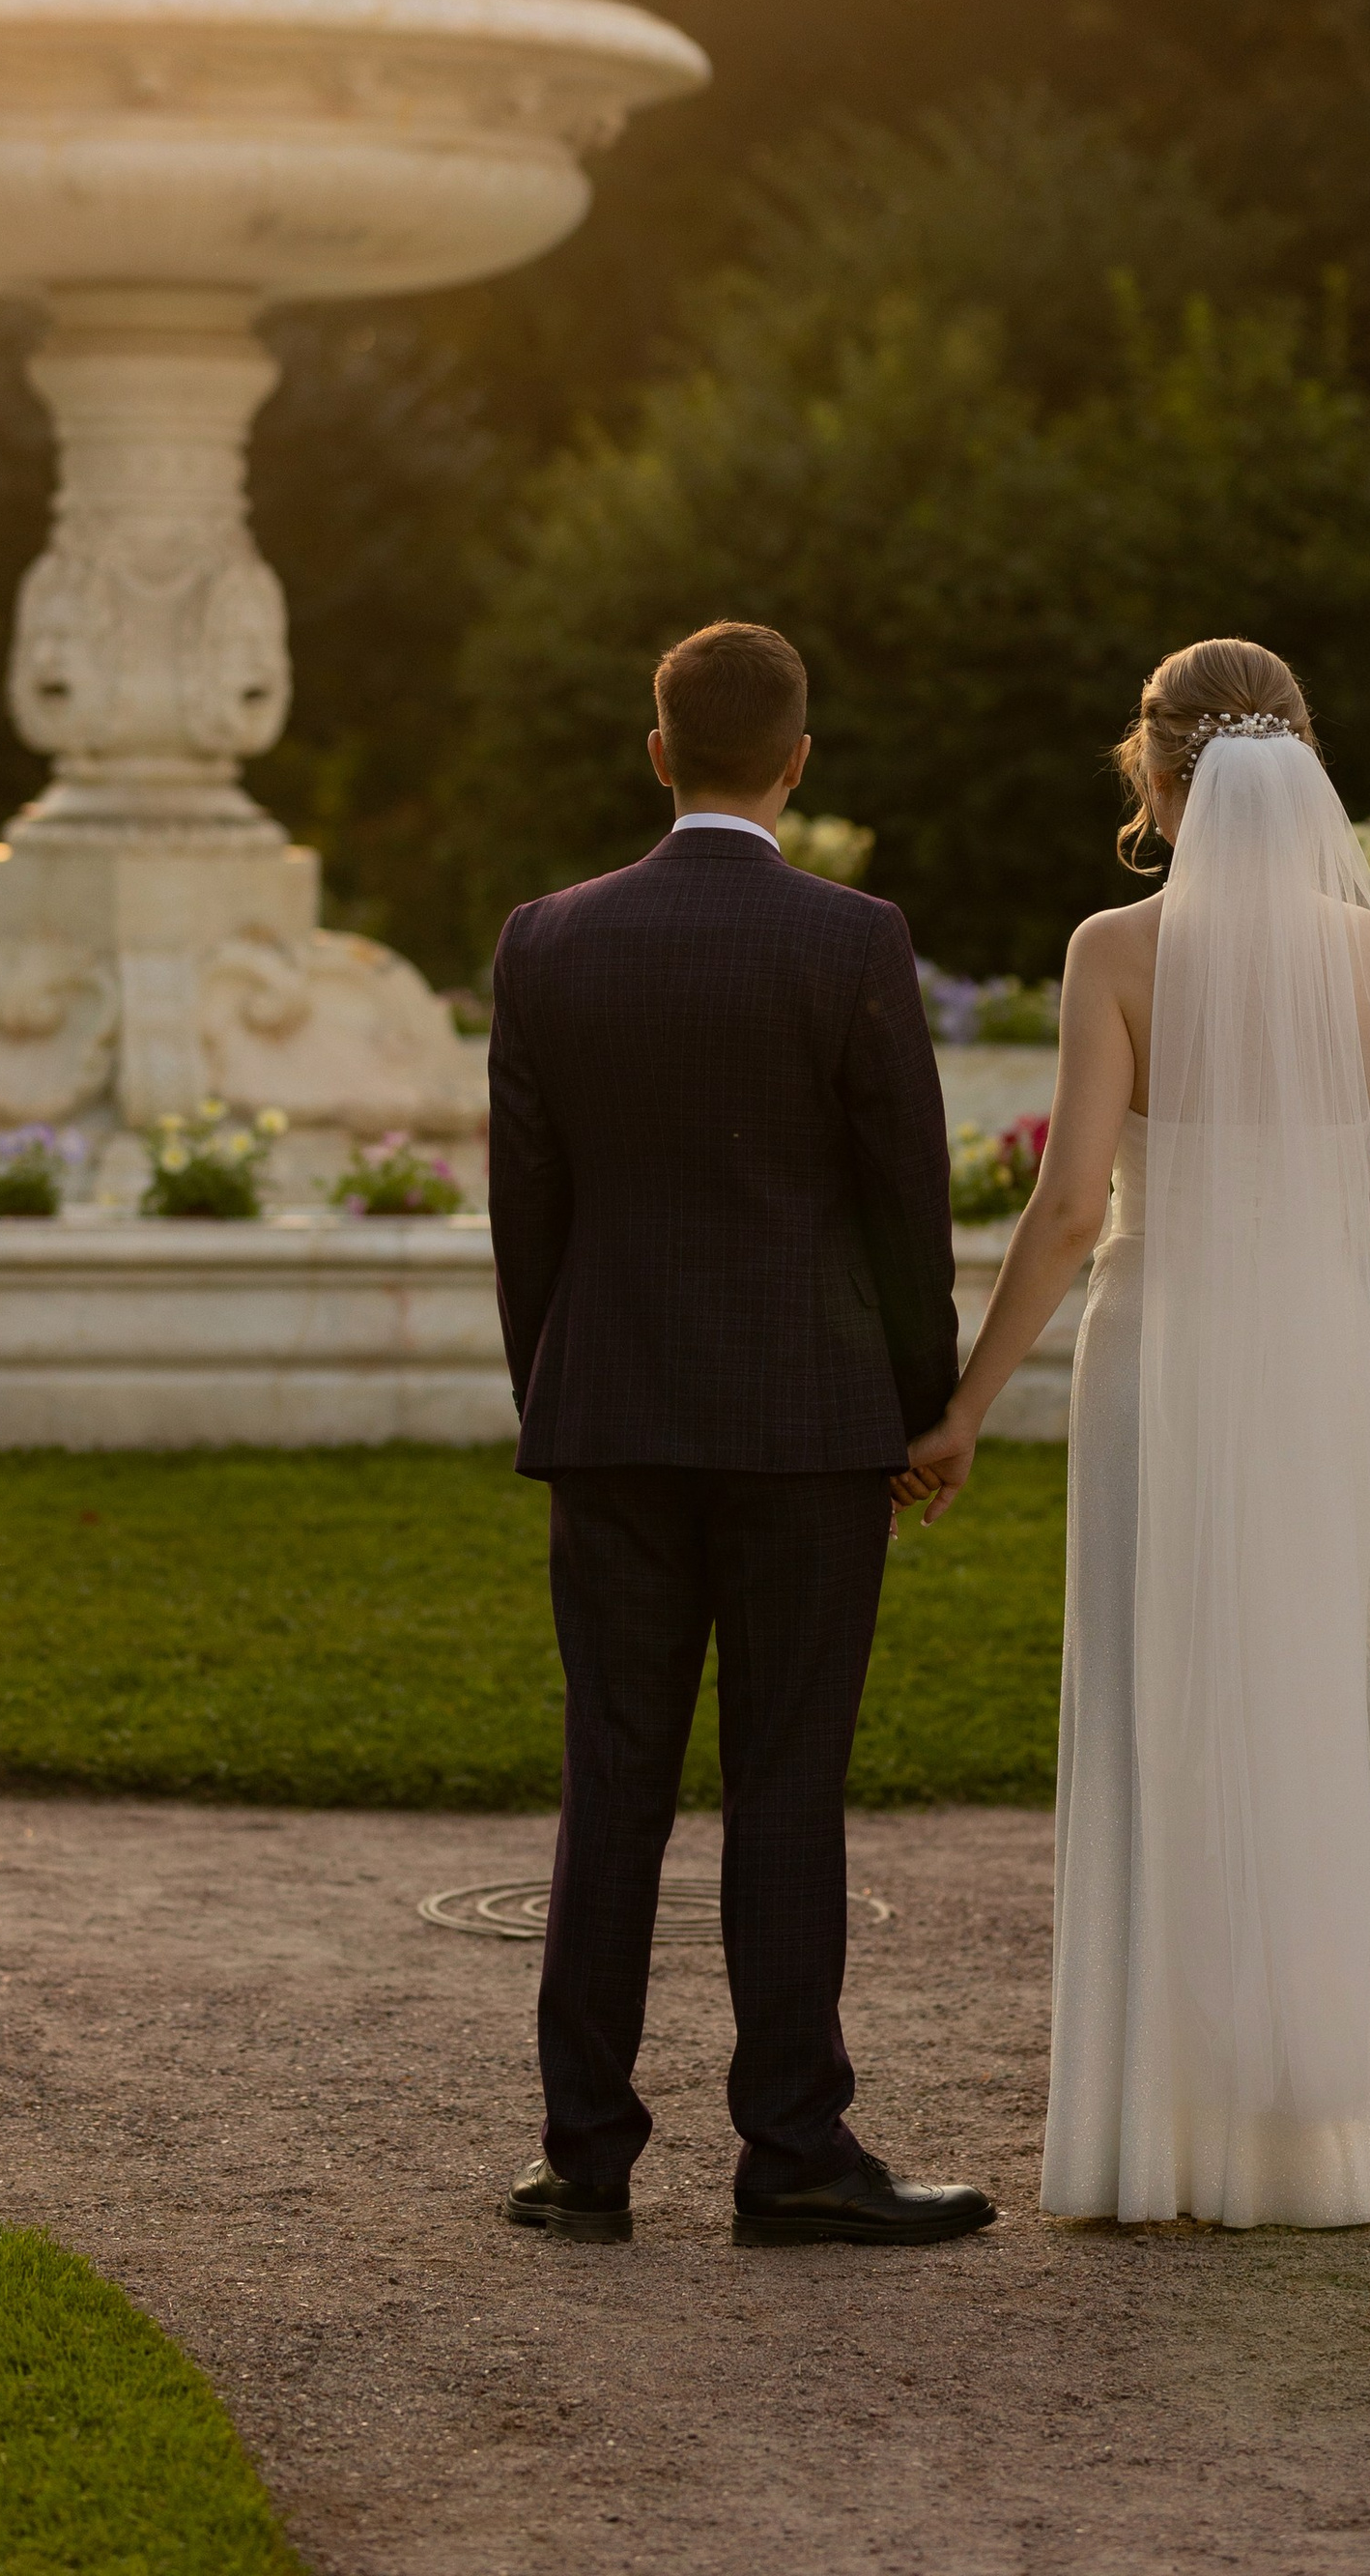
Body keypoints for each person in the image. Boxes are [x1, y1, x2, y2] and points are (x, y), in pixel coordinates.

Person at [899, 637, 1370, 2229]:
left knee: (1157, 1712)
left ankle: (1151, 2136)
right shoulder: (1367, 958)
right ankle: (1312, 2144)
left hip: (1158, 1360)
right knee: (1295, 1715)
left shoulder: (1118, 950)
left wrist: (963, 1408)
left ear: (1155, 782)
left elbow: (1068, 1210)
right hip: (1311, 1368)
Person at [489, 617, 997, 2248]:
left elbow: (526, 1212)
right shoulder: (853, 939)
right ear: (798, 761)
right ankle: (793, 2151)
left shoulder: (547, 940)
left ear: (659, 752)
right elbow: (904, 1204)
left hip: (612, 1417)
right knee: (787, 1785)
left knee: (612, 1782)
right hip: (808, 1428)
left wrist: (557, 1390)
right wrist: (925, 1408)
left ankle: (584, 2160)